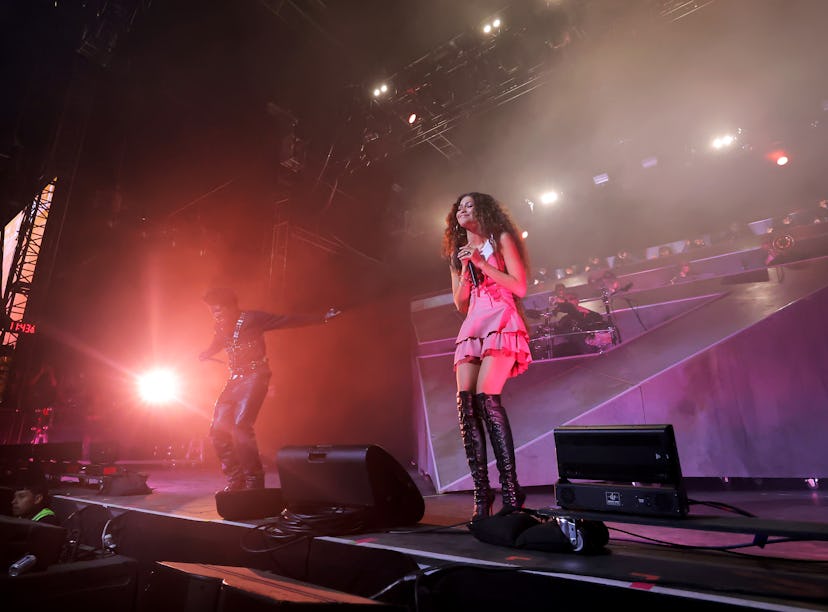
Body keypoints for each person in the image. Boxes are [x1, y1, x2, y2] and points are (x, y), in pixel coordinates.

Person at [441, 192, 532, 522]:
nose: (463, 210)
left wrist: (483, 263)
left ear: (483, 211)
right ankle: (482, 493)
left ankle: (510, 490)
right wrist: (467, 266)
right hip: (474, 322)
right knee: (466, 402)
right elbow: (460, 302)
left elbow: (519, 287)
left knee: (486, 398)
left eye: (469, 205)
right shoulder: (457, 253)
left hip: (501, 318)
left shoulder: (501, 238)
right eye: (459, 207)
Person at [199, 288, 340, 492]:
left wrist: (322, 318)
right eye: (212, 312)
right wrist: (207, 352)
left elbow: (286, 320)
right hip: (234, 379)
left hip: (256, 376)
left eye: (219, 310)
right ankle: (235, 479)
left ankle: (254, 481)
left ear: (231, 307)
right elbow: (217, 343)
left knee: (241, 427)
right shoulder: (219, 327)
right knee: (217, 430)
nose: (216, 315)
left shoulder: (252, 318)